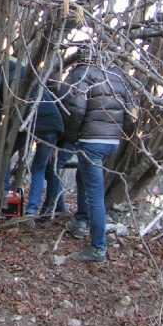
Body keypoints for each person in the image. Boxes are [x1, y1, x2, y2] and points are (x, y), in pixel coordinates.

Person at [60, 59, 135, 262]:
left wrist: (72, 137)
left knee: (95, 193)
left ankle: (97, 248)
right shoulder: (117, 75)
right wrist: (117, 134)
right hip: (111, 141)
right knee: (83, 177)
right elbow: (131, 112)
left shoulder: (84, 73)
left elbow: (76, 109)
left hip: (90, 140)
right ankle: (81, 220)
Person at [0, 59, 64, 219]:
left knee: (4, 155)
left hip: (27, 120)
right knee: (39, 168)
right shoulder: (31, 77)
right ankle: (31, 211)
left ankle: (4, 202)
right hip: (52, 123)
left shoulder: (1, 80)